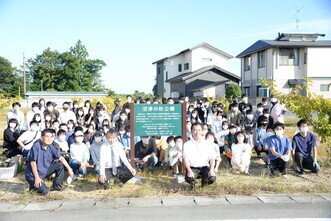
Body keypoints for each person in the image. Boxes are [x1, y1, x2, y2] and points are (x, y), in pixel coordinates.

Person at [25, 129, 74, 195]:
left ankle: (56, 185)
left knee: (59, 165)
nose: (49, 139)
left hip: (44, 171)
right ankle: (34, 187)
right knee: (45, 191)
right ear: (41, 137)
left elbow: (61, 158)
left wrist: (69, 169)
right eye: (47, 136)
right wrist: (37, 178)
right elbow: (32, 163)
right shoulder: (36, 146)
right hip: (33, 175)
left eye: (51, 137)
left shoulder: (51, 146)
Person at [183, 123, 216, 189]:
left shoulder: (207, 143)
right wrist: (189, 171)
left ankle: (204, 183)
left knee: (212, 178)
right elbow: (185, 159)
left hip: (205, 168)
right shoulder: (187, 144)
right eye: (195, 130)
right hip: (193, 168)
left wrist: (212, 170)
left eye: (199, 130)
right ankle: (193, 185)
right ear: (191, 132)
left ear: (202, 131)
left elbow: (212, 158)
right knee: (189, 178)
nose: (197, 132)